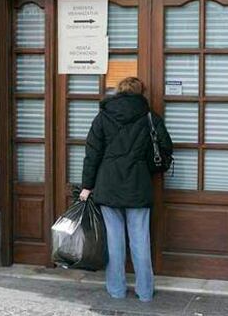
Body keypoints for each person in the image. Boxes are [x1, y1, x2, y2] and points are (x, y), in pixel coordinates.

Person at [79, 77, 173, 302]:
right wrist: (146, 165)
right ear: (141, 92)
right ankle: (145, 292)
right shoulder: (150, 117)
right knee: (140, 240)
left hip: (108, 184)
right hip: (138, 185)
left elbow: (92, 154)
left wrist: (86, 186)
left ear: (118, 92)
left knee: (114, 241)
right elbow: (165, 147)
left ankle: (117, 290)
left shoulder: (103, 117)